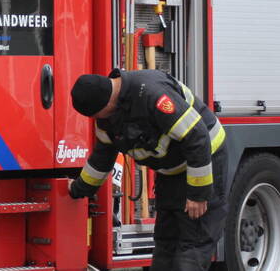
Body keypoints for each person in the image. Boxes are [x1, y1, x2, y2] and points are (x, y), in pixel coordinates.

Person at [68, 69, 227, 270]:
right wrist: (77, 189)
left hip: (202, 161)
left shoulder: (152, 94)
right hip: (170, 171)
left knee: (193, 244)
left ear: (106, 104)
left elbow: (197, 137)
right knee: (166, 242)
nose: (97, 120)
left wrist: (198, 194)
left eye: (97, 115)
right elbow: (101, 159)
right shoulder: (108, 115)